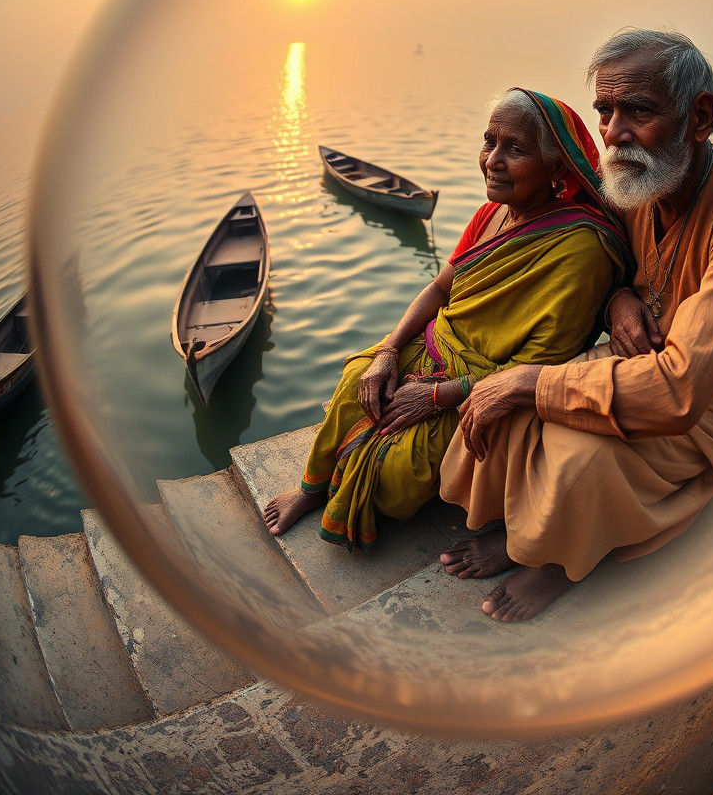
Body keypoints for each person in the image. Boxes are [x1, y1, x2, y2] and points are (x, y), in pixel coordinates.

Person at [439, 28, 713, 622]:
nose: (613, 133)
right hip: (641, 358)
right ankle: (521, 531)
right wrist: (620, 301)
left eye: (639, 111)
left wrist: (532, 380)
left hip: (712, 400)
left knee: (577, 461)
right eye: (605, 111)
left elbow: (683, 392)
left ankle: (556, 562)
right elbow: (619, 264)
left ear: (699, 117)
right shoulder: (640, 180)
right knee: (505, 419)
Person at [263, 88, 626, 550]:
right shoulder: (490, 214)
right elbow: (440, 289)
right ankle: (312, 490)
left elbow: (542, 366)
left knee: (398, 479)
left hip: (488, 382)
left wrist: (437, 396)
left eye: (515, 149)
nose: (492, 160)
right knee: (360, 376)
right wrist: (390, 350)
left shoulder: (582, 249)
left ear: (557, 169)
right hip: (437, 346)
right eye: (489, 142)